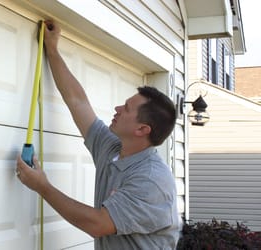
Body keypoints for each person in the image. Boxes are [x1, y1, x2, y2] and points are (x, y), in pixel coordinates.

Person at [15, 20, 181, 249]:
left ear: (142, 130)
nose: (117, 110)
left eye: (127, 109)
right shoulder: (113, 149)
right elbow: (78, 101)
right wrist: (52, 50)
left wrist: (42, 186)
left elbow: (98, 224)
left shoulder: (151, 180)